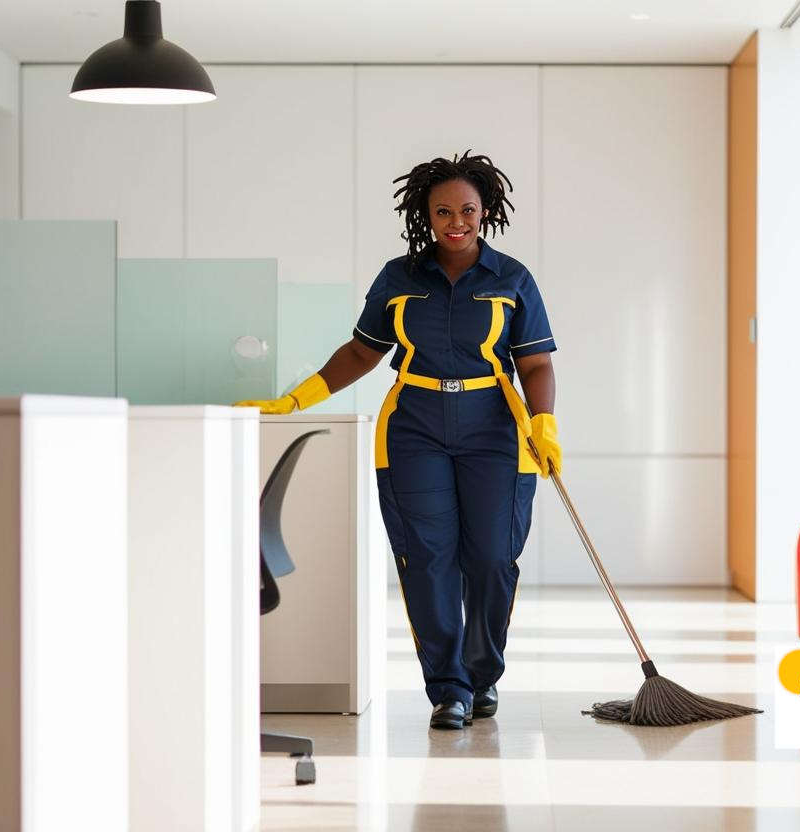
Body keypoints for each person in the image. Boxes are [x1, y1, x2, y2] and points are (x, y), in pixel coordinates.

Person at [236, 150, 561, 730]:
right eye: (443, 212)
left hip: (495, 429)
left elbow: (534, 362)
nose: (455, 221)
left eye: (466, 209)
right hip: (414, 428)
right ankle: (450, 689)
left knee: (491, 556)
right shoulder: (400, 278)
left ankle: (482, 672)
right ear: (426, 215)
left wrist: (544, 423)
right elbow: (363, 351)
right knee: (427, 558)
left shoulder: (512, 278)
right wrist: (294, 399)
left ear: (485, 209)